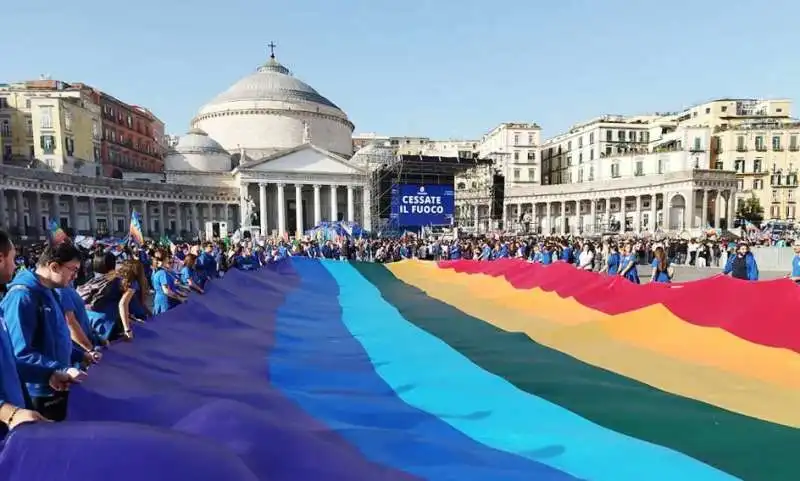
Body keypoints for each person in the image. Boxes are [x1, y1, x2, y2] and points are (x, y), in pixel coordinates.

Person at [1, 240, 87, 422]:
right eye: (73, 269)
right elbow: (20, 352)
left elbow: (56, 335)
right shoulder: (22, 296)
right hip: (38, 391)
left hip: (55, 383)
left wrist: (81, 355)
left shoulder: (50, 291)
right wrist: (56, 370)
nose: (75, 276)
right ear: (54, 267)